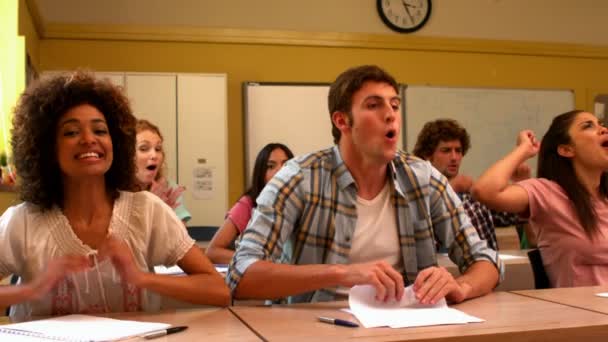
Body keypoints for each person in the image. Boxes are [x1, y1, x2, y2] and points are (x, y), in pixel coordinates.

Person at [227, 65, 501, 304]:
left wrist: (460, 287)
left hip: (406, 326)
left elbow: (486, 260)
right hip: (316, 327)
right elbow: (240, 275)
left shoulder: (423, 178)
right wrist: (341, 273)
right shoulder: (300, 177)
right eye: (374, 105)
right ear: (342, 120)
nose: (391, 114)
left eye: (394, 104)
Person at [0, 71, 230, 317]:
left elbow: (218, 290)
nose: (89, 139)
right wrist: (33, 289)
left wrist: (141, 279)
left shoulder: (147, 211)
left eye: (100, 131)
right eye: (71, 132)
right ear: (46, 148)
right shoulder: (22, 221)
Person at [473, 110, 608, 287]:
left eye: (601, 124)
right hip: (582, 311)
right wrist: (523, 150)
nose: (603, 130)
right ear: (566, 149)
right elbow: (485, 191)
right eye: (588, 126)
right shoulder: (548, 192)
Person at [412, 119, 530, 250]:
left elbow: (511, 216)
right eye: (446, 150)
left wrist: (522, 183)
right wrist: (449, 187)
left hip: (485, 267)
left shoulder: (471, 194)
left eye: (458, 151)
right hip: (444, 268)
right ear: (428, 155)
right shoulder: (417, 194)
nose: (454, 157)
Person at [206, 143, 294, 264]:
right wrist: (254, 261)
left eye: (286, 165)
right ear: (261, 174)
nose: (280, 171)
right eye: (270, 166)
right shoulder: (248, 204)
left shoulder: (301, 202)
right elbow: (213, 252)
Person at [135, 119, 191, 224]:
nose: (154, 155)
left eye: (158, 149)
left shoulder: (169, 189)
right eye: (143, 148)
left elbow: (182, 237)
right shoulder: (114, 191)